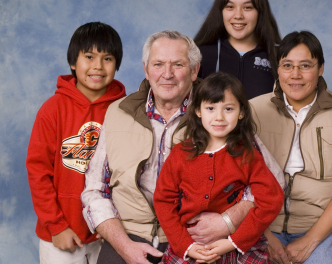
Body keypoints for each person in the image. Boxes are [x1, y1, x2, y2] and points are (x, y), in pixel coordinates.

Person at [81, 30, 285, 264]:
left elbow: (270, 181)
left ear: (195, 69)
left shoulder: (218, 113)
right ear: (147, 69)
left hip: (199, 238)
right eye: (158, 64)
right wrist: (124, 246)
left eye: (177, 64)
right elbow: (94, 191)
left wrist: (227, 221)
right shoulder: (118, 113)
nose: (167, 74)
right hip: (129, 235)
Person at [250, 31, 332, 263]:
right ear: (277, 69)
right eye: (287, 65)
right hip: (263, 224)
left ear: (321, 68)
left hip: (325, 228)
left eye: (305, 65)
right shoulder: (253, 111)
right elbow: (237, 181)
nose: (295, 75)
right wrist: (264, 236)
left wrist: (311, 240)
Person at [154, 72, 284, 263]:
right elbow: (164, 202)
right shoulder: (180, 154)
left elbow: (271, 200)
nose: (219, 117)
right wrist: (186, 246)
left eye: (228, 109)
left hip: (237, 245)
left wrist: (234, 242)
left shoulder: (248, 155)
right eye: (211, 108)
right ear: (198, 111)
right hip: (192, 244)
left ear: (241, 112)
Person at [25, 22, 126, 264]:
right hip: (61, 234)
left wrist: (117, 225)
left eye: (107, 58)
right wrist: (56, 226)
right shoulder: (52, 110)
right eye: (89, 56)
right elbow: (38, 171)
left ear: (117, 65)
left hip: (110, 232)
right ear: (73, 62)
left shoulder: (125, 110)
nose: (97, 67)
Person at [194, 0, 281, 99]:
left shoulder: (279, 57)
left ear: (260, 12)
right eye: (230, 7)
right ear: (221, 12)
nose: (238, 15)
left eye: (247, 7)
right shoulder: (201, 55)